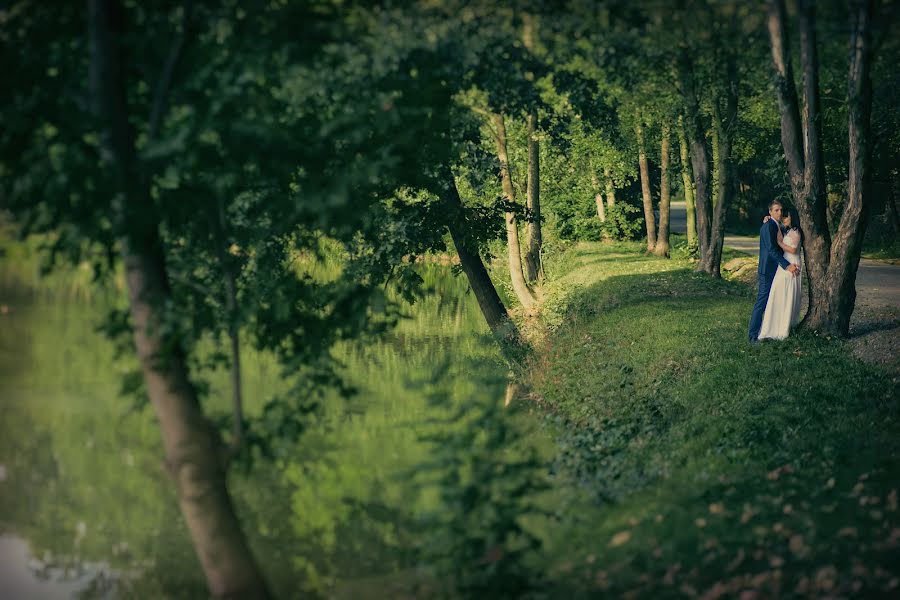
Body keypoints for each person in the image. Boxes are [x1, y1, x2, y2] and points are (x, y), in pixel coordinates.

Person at [748, 200, 800, 343]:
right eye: (776, 210)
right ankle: (752, 336)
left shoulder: (778, 226)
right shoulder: (768, 226)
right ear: (770, 212)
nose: (779, 213)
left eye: (781, 210)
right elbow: (771, 250)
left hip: (775, 270)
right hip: (767, 271)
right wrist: (787, 265)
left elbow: (784, 238)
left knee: (774, 301)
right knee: (762, 302)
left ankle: (775, 329)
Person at [758, 209, 803, 340]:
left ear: (792, 218)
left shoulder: (796, 231)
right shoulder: (787, 230)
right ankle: (773, 326)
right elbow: (777, 226)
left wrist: (779, 243)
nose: (783, 218)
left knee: (786, 294)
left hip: (792, 262)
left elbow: (793, 249)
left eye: (786, 216)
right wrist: (768, 218)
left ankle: (783, 327)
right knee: (777, 293)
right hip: (784, 264)